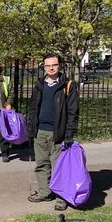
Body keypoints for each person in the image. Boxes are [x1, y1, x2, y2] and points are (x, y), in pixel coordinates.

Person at [27, 53, 79, 211]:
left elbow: (73, 112)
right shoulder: (40, 84)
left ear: (60, 65)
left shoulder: (67, 85)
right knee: (41, 164)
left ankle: (61, 197)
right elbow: (33, 107)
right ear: (44, 67)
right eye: (47, 65)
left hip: (58, 133)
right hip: (40, 132)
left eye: (54, 65)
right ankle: (44, 192)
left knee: (59, 167)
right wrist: (31, 126)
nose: (51, 68)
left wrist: (69, 133)